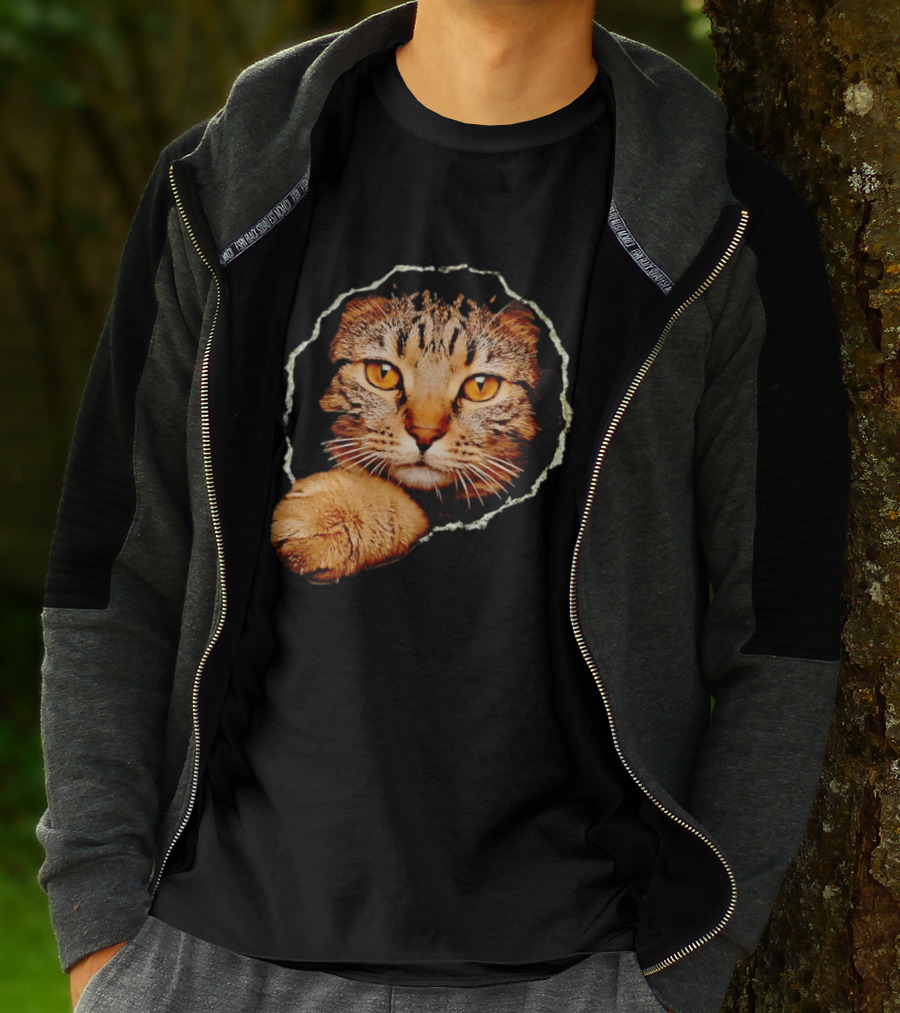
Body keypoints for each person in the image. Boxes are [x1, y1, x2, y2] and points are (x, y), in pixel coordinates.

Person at [37, 0, 850, 1011]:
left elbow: (782, 628)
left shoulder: (721, 225)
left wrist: (681, 969)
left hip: (573, 974)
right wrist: (102, 928)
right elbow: (114, 572)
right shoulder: (227, 183)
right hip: (207, 957)